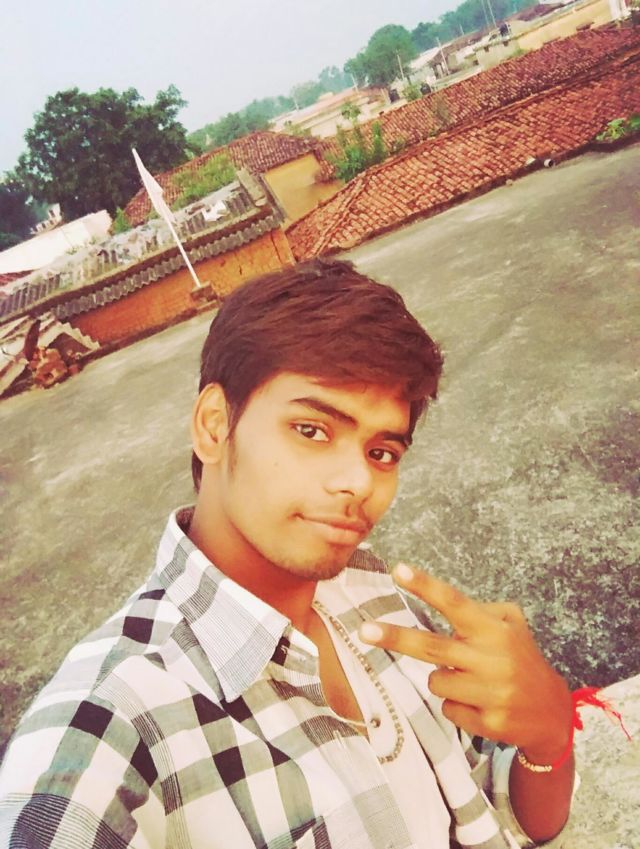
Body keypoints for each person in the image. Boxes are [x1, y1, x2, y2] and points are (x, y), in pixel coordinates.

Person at [0, 259, 575, 849]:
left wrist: (550, 737)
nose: (358, 482)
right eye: (312, 430)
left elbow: (499, 817)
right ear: (214, 427)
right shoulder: (106, 735)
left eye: (381, 453)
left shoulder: (377, 598)